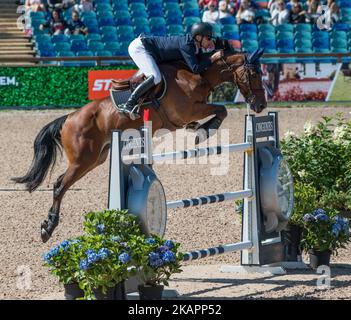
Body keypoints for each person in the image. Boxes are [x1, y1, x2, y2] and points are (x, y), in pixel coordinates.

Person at [117, 22, 224, 120]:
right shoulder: (187, 45)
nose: (211, 41)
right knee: (156, 77)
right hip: (140, 48)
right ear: (199, 37)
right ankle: (128, 104)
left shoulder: (193, 46)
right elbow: (195, 68)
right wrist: (213, 58)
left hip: (151, 51)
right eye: (209, 38)